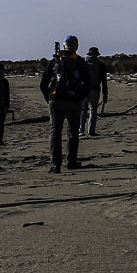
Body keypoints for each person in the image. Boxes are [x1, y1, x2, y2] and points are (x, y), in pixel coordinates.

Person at [40, 36, 91, 173]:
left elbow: (43, 83)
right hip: (74, 101)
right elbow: (87, 84)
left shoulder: (55, 61)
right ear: (76, 46)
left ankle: (55, 164)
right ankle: (71, 161)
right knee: (73, 132)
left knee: (55, 132)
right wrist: (79, 97)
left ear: (64, 46)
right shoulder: (80, 62)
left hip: (56, 100)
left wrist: (49, 98)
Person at [80, 46, 110, 137]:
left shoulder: (84, 63)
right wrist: (105, 94)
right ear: (97, 54)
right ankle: (91, 131)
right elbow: (104, 81)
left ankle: (81, 130)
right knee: (93, 111)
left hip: (84, 89)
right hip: (95, 90)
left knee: (83, 110)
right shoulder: (101, 65)